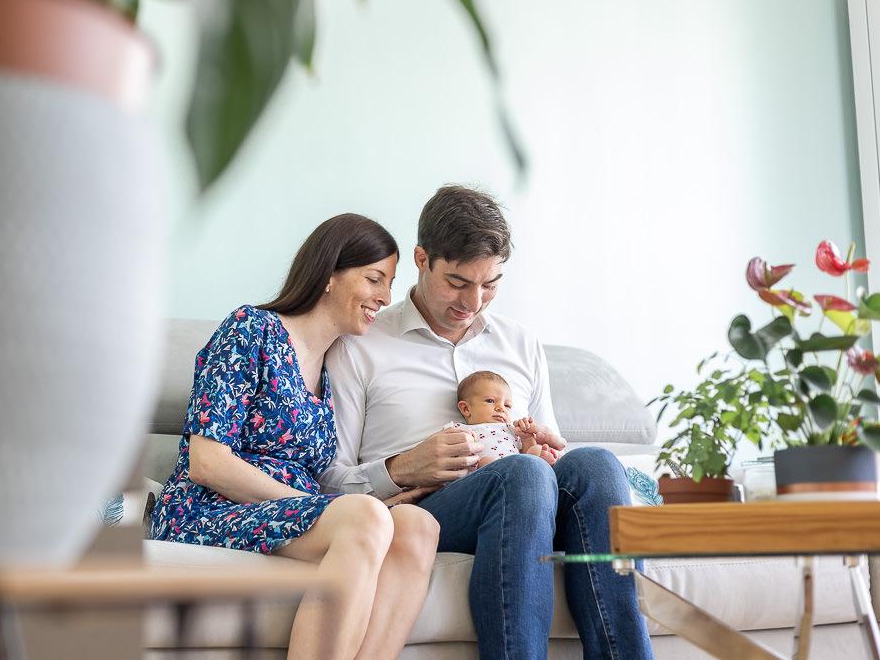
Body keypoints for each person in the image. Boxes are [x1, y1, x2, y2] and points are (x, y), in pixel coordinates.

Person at [321, 186, 653, 659]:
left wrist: (547, 449)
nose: (473, 301)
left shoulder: (520, 342)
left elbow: (548, 456)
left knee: (596, 464)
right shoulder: (361, 344)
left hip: (528, 496)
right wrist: (403, 466)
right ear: (421, 258)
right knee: (523, 475)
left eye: (490, 284)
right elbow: (330, 482)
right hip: (427, 509)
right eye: (457, 282)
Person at [149, 213, 440, 660]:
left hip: (294, 514)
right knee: (365, 519)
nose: (385, 297)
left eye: (389, 283)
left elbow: (327, 480)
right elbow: (207, 462)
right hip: (211, 508)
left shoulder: (335, 367)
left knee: (418, 527)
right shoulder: (251, 330)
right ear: (328, 274)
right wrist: (319, 507)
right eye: (374, 279)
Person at [445, 370, 564, 467]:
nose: (501, 408)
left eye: (507, 405)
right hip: (482, 477)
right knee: (486, 462)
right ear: (466, 409)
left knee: (535, 451)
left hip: (519, 470)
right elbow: (442, 450)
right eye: (490, 401)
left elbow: (525, 454)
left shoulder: (511, 429)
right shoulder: (459, 429)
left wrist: (527, 437)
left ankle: (546, 461)